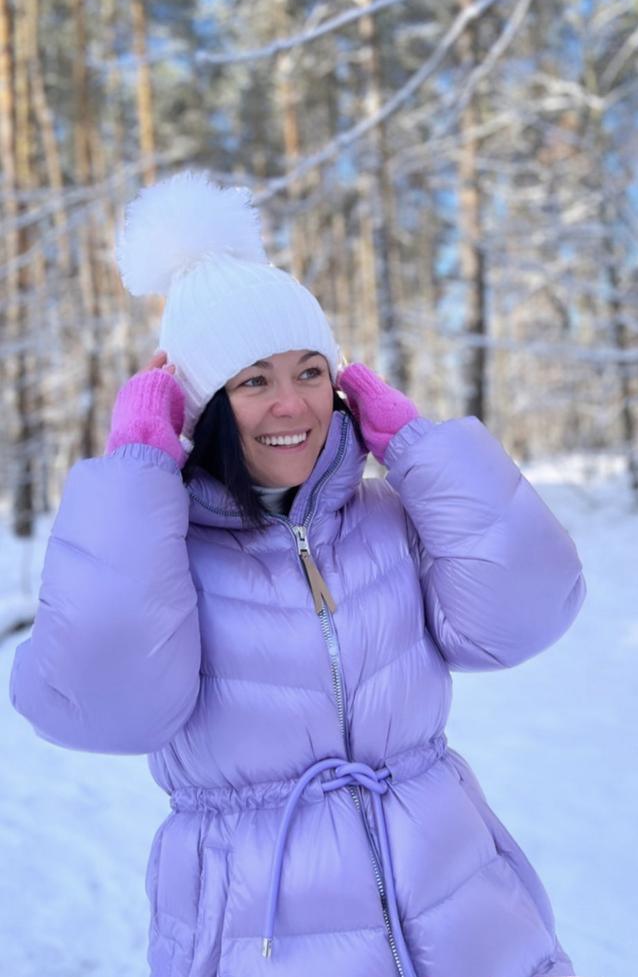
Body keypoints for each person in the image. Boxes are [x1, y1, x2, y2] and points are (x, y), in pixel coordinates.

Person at [10, 171, 586, 977]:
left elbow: (527, 612)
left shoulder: (387, 518)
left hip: (463, 918)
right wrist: (137, 470)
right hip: (265, 932)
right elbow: (104, 707)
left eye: (310, 370)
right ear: (202, 405)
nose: (293, 404)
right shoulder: (162, 553)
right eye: (253, 380)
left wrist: (421, 447)